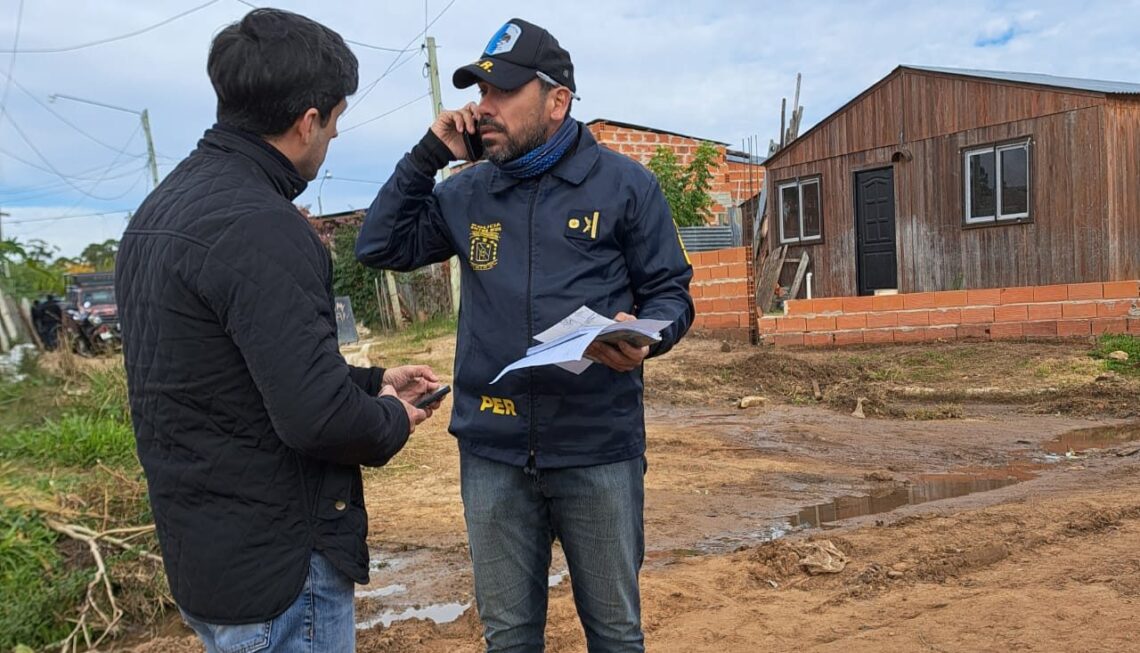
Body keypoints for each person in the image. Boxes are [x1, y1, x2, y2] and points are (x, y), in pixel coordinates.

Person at [356, 18, 694, 652]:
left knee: (616, 634)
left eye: (502, 93)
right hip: (493, 451)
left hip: (597, 445)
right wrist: (430, 154)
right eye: (480, 92)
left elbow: (672, 293)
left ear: (557, 100)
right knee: (509, 638)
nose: (483, 109)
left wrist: (651, 335)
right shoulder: (469, 193)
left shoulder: (626, 186)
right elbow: (379, 245)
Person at [114, 9, 441, 652]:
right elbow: (317, 420)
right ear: (308, 120)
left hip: (211, 559)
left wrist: (373, 379)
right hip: (281, 571)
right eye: (338, 121)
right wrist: (394, 417)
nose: (334, 138)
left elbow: (235, 374)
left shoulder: (158, 213)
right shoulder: (263, 224)